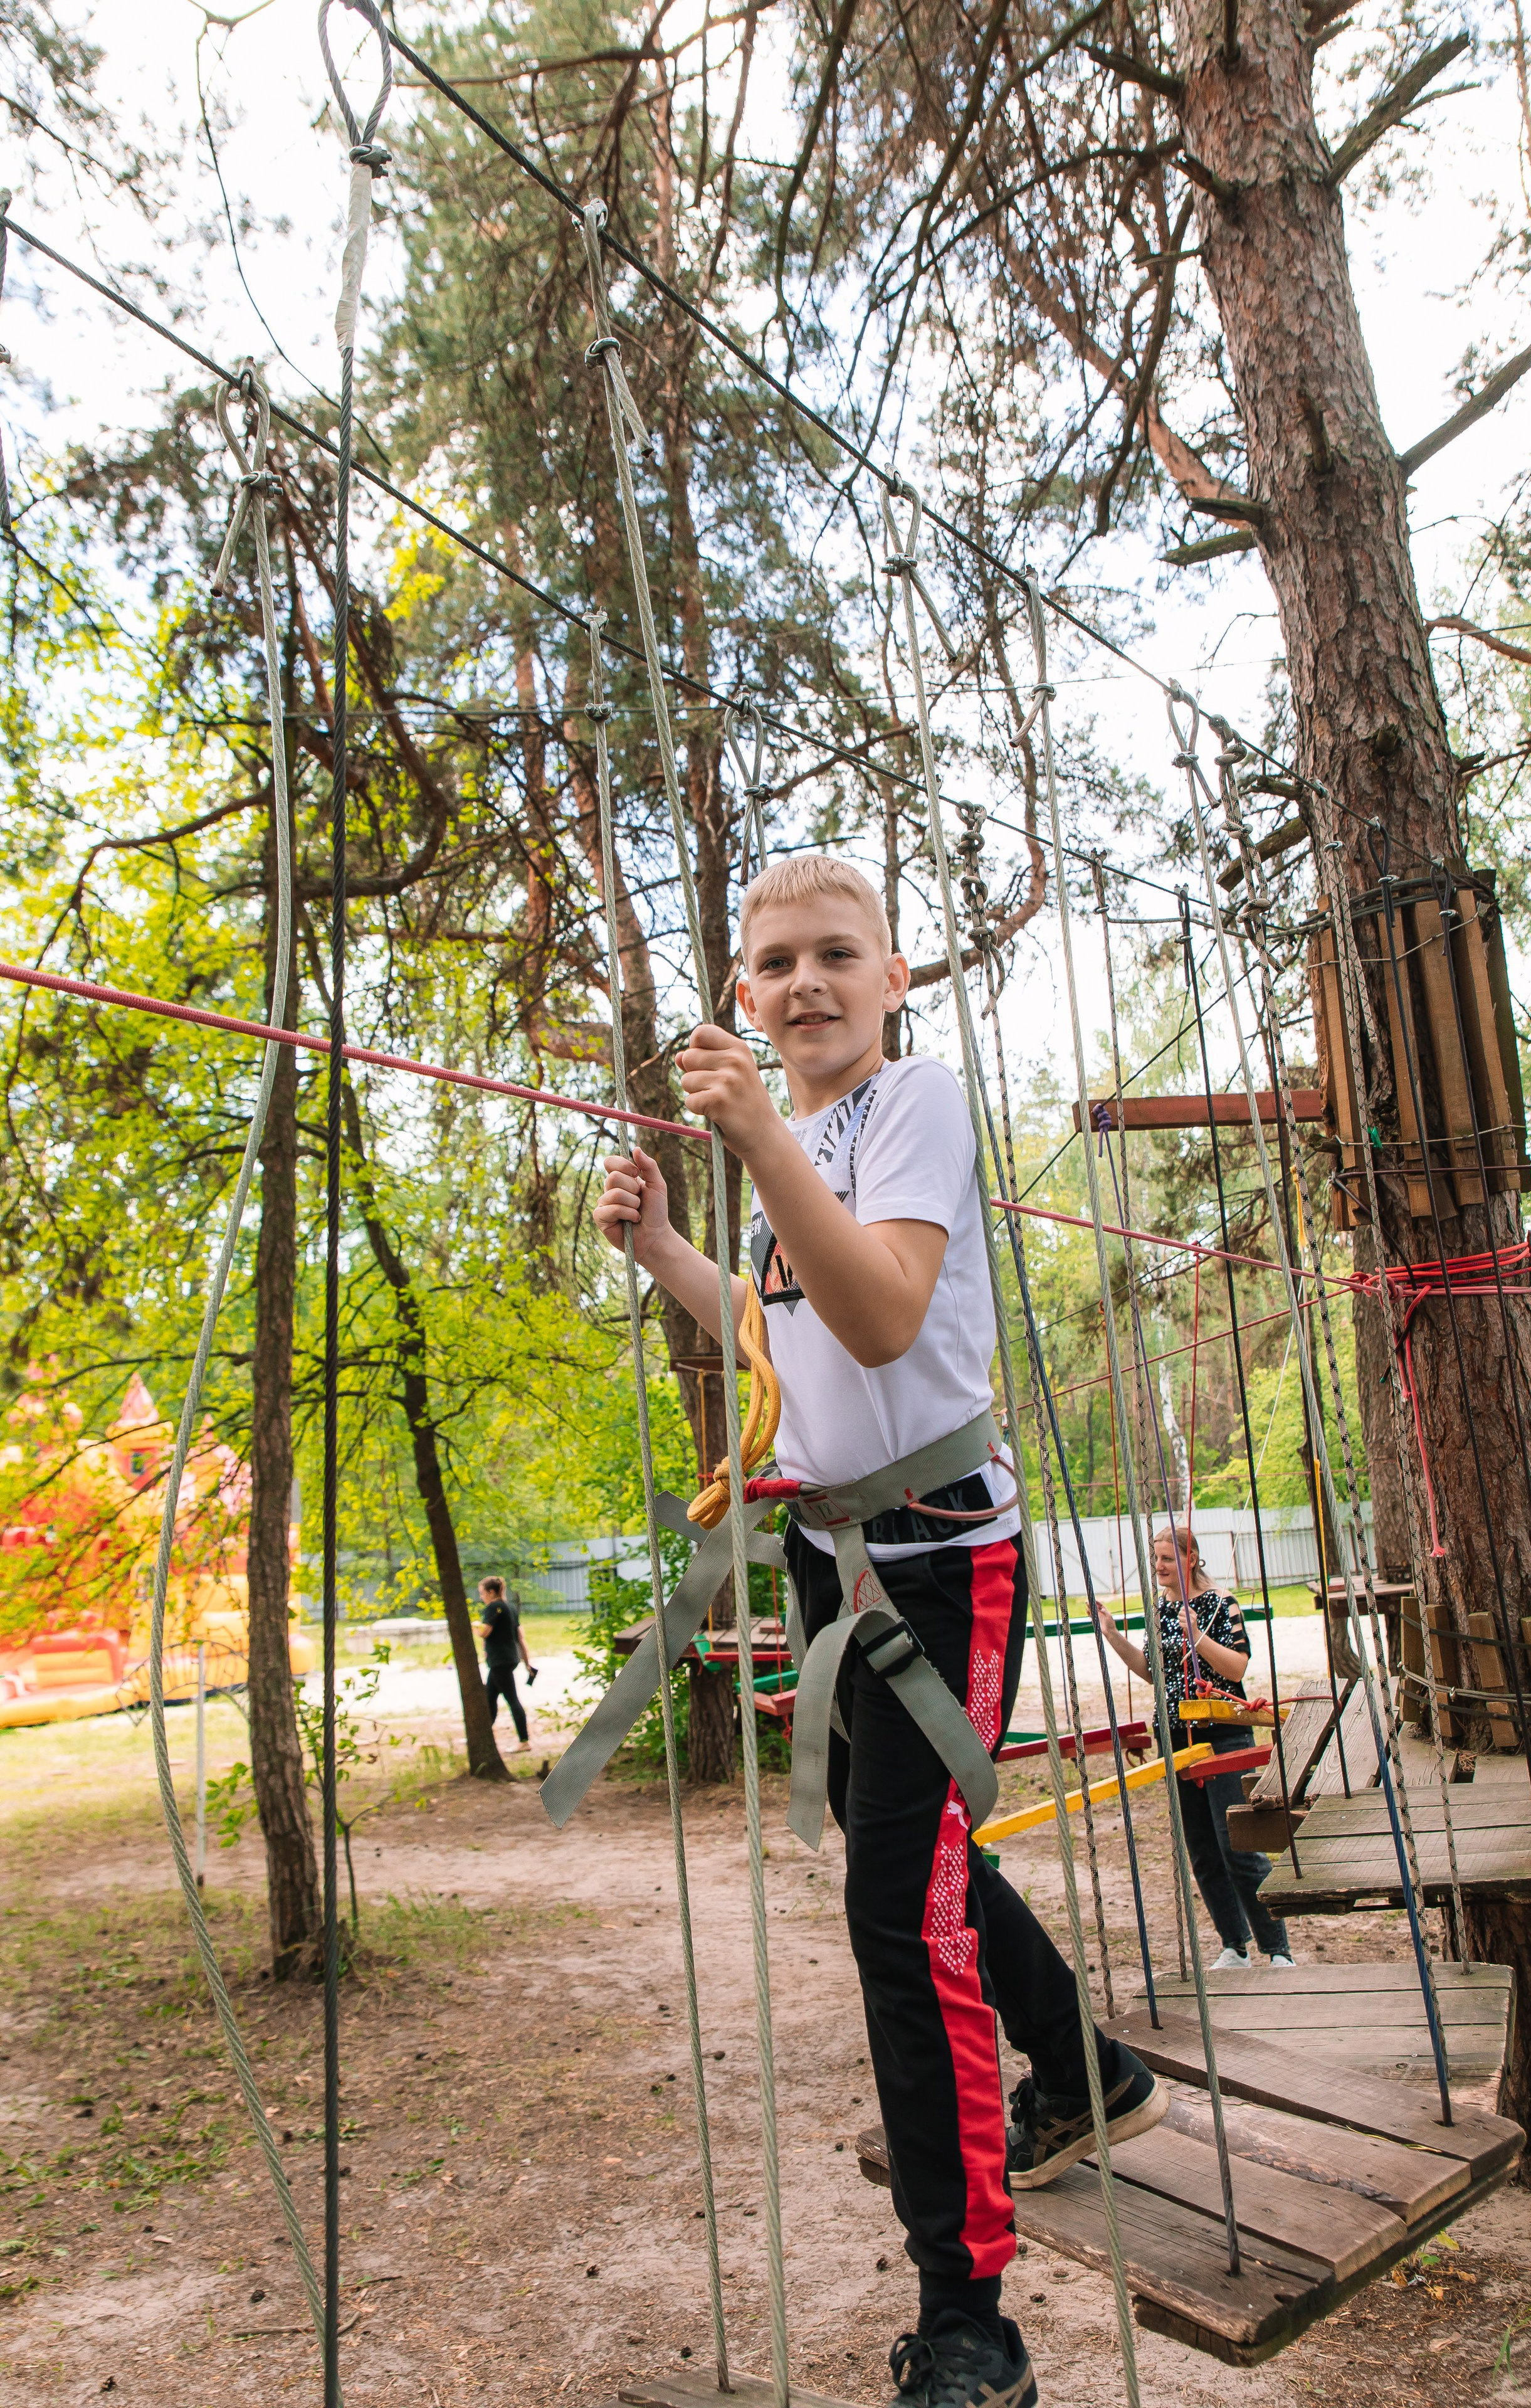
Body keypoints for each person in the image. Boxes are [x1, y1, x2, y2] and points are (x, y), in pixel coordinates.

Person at [594, 853, 1167, 2408]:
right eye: (773, 962)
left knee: (894, 1916)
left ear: (895, 972)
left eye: (835, 954)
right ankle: (1084, 2064)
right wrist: (661, 1247)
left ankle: (967, 2315)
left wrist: (758, 1133)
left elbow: (883, 1317)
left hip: (932, 1558)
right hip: (826, 1550)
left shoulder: (911, 1098)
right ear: (738, 993)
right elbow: (783, 1321)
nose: (804, 984)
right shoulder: (782, 1137)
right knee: (901, 1853)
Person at [1094, 1527, 1294, 1971]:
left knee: (1235, 1845)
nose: (1159, 1566)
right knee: (1202, 1849)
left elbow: (1238, 1665)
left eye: (1167, 1558)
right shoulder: (1160, 1608)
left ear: (1191, 1558)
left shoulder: (1222, 1603)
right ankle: (1234, 1945)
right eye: (1156, 1558)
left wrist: (1199, 1636)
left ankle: (1277, 1949)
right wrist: (1112, 1635)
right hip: (1175, 1734)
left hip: (1221, 1732)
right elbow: (1152, 1671)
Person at [478, 1576, 534, 1747]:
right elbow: (520, 1637)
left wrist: (475, 1629)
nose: (481, 1597)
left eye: (482, 1593)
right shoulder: (510, 1608)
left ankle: (524, 1741)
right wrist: (526, 1661)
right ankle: (482, 1737)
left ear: (491, 1592)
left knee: (512, 1699)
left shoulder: (494, 1607)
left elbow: (485, 1632)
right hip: (510, 1658)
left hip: (499, 1660)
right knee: (490, 1697)